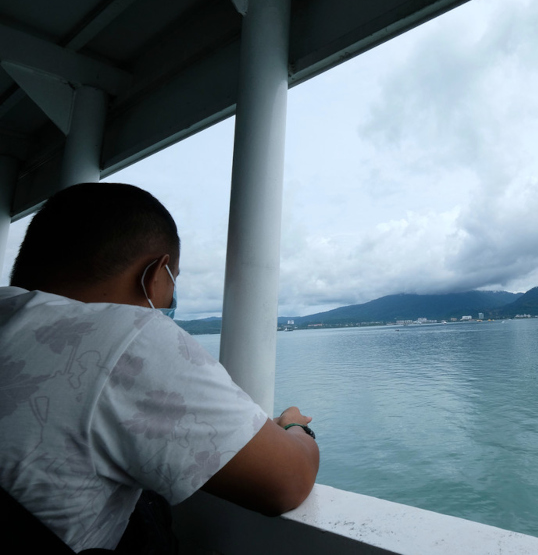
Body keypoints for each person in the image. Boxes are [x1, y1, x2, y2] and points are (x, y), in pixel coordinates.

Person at [0, 183, 319, 552]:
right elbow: (286, 482)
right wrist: (294, 427)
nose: (171, 296)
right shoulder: (128, 337)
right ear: (157, 271)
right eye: (175, 279)